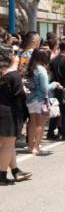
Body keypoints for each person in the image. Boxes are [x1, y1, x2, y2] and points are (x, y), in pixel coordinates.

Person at [0, 47, 32, 184]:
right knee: (7, 145)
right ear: (11, 57)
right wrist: (24, 90)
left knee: (8, 144)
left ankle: (15, 171)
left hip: (2, 110)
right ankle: (1, 175)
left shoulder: (4, 73)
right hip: (9, 113)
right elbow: (19, 95)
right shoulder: (14, 75)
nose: (18, 56)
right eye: (15, 54)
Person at [25, 49, 59, 156]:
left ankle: (30, 145)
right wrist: (55, 84)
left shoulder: (30, 68)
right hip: (40, 100)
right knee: (40, 124)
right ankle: (36, 147)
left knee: (32, 123)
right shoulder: (41, 70)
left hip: (30, 99)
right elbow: (45, 88)